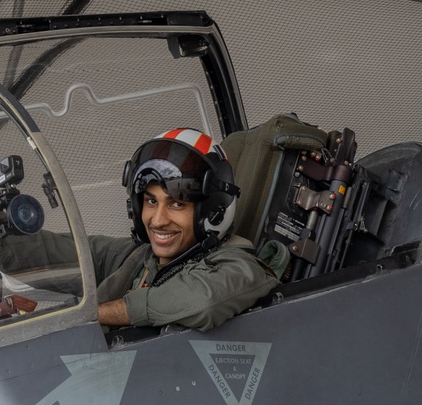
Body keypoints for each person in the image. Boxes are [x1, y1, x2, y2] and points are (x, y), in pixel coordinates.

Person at [88, 128, 279, 331]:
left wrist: (89, 316)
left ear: (212, 211)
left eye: (177, 204)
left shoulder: (240, 269)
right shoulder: (139, 256)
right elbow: (73, 251)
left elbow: (204, 302)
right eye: (151, 201)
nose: (159, 221)